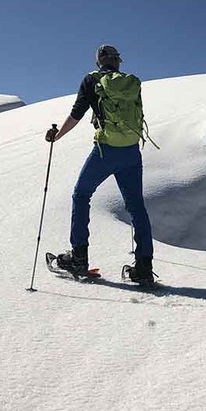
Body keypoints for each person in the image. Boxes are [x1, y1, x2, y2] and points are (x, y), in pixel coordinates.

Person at [45, 44, 155, 284]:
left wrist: (57, 135)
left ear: (98, 62)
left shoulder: (92, 80)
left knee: (81, 194)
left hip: (106, 150)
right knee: (136, 207)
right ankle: (144, 267)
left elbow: (77, 113)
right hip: (131, 151)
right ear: (117, 61)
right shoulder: (130, 83)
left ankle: (79, 256)